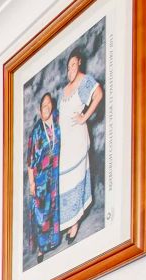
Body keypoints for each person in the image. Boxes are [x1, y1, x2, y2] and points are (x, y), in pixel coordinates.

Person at [58, 51, 102, 242]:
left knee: (76, 178)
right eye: (69, 66)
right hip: (65, 142)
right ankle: (68, 219)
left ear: (80, 63)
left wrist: (84, 117)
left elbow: (98, 95)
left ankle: (75, 222)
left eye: (74, 65)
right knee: (65, 181)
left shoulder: (84, 82)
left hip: (77, 139)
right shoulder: (65, 89)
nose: (71, 69)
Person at [25, 93, 63, 260]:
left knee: (53, 208)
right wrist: (32, 183)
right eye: (44, 105)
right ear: (40, 111)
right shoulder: (36, 132)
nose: (47, 107)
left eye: (49, 104)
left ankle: (53, 242)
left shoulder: (57, 121)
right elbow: (30, 161)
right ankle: (41, 248)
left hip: (54, 174)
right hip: (40, 178)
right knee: (42, 212)